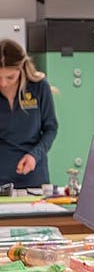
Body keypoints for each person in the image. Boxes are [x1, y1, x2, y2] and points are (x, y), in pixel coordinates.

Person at [0, 39, 57, 188]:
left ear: (21, 68)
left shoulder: (39, 87)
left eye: (10, 77)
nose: (3, 83)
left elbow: (51, 128)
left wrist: (34, 155)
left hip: (33, 177)